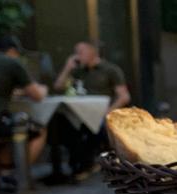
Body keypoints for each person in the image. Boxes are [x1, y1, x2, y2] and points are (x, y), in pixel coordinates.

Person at [45, 41, 130, 183]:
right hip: (78, 112)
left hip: (102, 112)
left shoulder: (110, 70)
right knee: (60, 124)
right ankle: (78, 165)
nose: (76, 56)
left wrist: (108, 113)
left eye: (80, 52)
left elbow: (124, 96)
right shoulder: (78, 71)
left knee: (94, 126)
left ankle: (86, 164)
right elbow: (58, 87)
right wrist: (67, 68)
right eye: (75, 52)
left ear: (93, 52)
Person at [0, 36, 48, 167]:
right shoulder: (11, 62)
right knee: (39, 130)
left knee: (10, 128)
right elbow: (37, 96)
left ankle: (5, 175)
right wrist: (44, 89)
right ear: (12, 51)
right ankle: (21, 177)